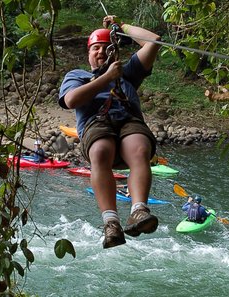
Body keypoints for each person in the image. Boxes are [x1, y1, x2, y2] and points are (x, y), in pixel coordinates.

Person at [59, 15, 161, 248]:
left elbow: (154, 41)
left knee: (139, 148)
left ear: (115, 51)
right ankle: (111, 223)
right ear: (88, 54)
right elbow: (72, 100)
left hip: (128, 121)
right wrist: (106, 77)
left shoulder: (129, 73)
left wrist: (121, 26)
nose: (101, 52)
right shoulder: (77, 76)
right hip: (97, 124)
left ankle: (139, 210)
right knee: (101, 151)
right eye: (96, 48)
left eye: (107, 48)